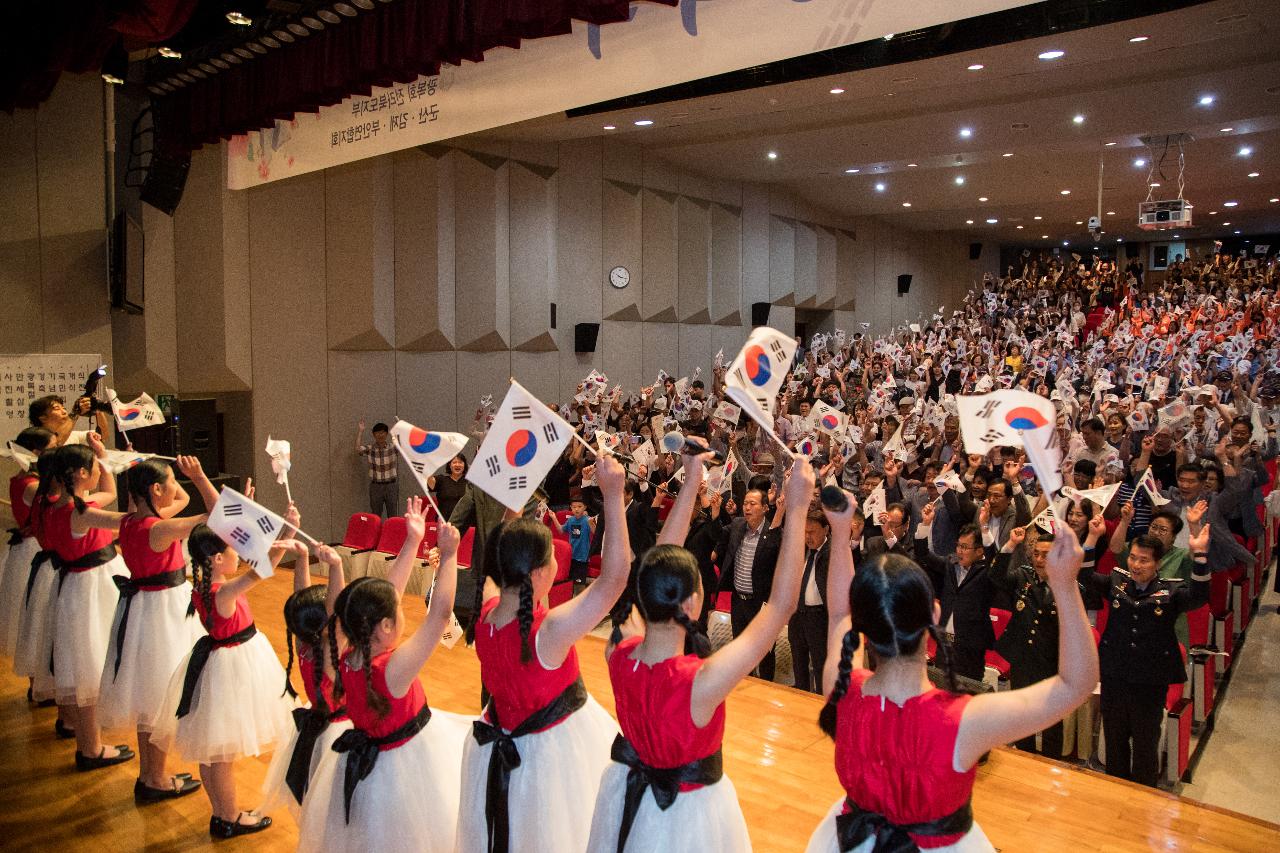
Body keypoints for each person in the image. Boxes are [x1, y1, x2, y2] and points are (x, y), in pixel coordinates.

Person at [806, 488, 1098, 851]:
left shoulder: (841, 687)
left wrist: (839, 529)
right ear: (934, 616)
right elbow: (1076, 684)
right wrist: (1066, 585)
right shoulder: (964, 720)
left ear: (862, 629)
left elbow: (838, 614)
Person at [586, 454, 814, 853]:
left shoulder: (617, 651)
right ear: (693, 604)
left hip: (627, 800)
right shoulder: (702, 681)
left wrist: (688, 482)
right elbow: (781, 606)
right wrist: (797, 508)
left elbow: (642, 569)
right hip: (690, 818)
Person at [456, 454, 630, 853]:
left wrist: (515, 495)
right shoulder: (547, 633)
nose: (558, 559)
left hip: (502, 745)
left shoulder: (484, 613)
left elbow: (499, 545)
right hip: (549, 760)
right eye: (553, 555)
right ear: (538, 574)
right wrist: (615, 494)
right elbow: (615, 578)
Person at [297, 497, 469, 852]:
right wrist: (449, 556)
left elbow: (383, 593)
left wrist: (411, 540)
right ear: (387, 625)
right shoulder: (393, 669)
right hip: (406, 769)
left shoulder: (343, 655)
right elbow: (440, 617)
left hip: (368, 769)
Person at [149, 513, 297, 839]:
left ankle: (220, 813)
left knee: (211, 752)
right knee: (223, 756)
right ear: (217, 559)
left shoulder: (202, 590)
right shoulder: (224, 593)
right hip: (234, 667)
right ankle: (229, 817)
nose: (238, 554)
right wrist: (285, 534)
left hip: (216, 664)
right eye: (232, 549)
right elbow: (263, 570)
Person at [80, 456, 210, 801]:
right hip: (162, 613)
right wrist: (197, 477)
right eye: (169, 482)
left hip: (141, 610)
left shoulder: (130, 523)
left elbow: (177, 503)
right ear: (155, 489)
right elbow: (214, 517)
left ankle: (151, 773)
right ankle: (155, 778)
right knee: (161, 696)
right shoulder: (160, 528)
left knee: (148, 699)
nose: (174, 488)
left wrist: (152, 476)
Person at [1084, 527, 1211, 787]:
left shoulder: (1170, 592)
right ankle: (1116, 792)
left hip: (1150, 682)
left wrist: (1199, 555)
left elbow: (1199, 596)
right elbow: (1084, 575)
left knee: (1145, 746)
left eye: (1144, 560)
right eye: (1133, 558)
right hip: (1115, 676)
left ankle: (1143, 800)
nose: (1136, 564)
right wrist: (1093, 538)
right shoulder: (1116, 583)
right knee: (1115, 742)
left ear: (1157, 563)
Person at [36, 440, 135, 771]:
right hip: (91, 589)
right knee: (89, 671)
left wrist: (104, 459)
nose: (98, 472)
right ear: (80, 473)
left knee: (85, 667)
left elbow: (107, 493)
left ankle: (88, 742)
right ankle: (91, 749)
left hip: (80, 588)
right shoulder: (82, 513)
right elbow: (128, 521)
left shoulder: (58, 506)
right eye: (93, 467)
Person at [260, 537, 353, 818]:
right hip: (341, 730)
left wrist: (302, 559)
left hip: (317, 728)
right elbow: (337, 611)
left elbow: (299, 599)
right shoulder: (330, 653)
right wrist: (336, 566)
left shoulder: (306, 643)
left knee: (321, 802)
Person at [913, 510, 996, 682]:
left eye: (965, 547)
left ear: (979, 551)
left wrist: (985, 527)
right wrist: (925, 525)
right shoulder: (950, 564)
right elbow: (923, 555)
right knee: (942, 688)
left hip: (970, 646)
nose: (959, 551)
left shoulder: (987, 572)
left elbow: (994, 560)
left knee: (966, 695)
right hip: (944, 643)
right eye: (958, 545)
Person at [715, 487, 783, 681]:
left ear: (764, 508)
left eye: (752, 504)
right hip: (739, 600)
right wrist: (718, 510)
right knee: (740, 649)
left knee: (764, 652)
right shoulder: (737, 525)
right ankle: (743, 685)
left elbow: (778, 553)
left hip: (761, 604)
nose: (747, 508)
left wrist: (781, 510)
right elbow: (717, 532)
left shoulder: (773, 532)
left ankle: (766, 687)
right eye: (745, 503)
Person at [0, 426, 55, 660]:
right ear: (36, 452)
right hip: (36, 549)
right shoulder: (32, 486)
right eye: (53, 449)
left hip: (28, 548)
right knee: (38, 615)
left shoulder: (23, 479)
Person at [790, 510, 831, 694]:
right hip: (798, 614)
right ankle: (800, 699)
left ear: (826, 529)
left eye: (812, 532)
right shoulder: (801, 550)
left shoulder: (833, 553)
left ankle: (821, 705)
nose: (808, 536)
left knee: (821, 666)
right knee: (799, 665)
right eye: (805, 532)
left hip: (819, 617)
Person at [27, 393, 109, 448]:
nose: (64, 412)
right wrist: (76, 412)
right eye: (57, 408)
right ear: (43, 418)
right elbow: (55, 443)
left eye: (64, 408)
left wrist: (97, 408)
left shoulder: (72, 435)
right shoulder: (35, 439)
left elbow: (103, 435)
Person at [550, 494, 595, 592]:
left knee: (579, 587)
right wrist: (554, 518)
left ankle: (580, 603)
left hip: (582, 559)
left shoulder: (587, 520)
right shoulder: (570, 520)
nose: (576, 509)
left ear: (585, 507)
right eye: (574, 507)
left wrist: (592, 524)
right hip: (570, 557)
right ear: (571, 507)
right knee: (570, 583)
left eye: (579, 506)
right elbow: (561, 530)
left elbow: (595, 533)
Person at [355, 420, 398, 518]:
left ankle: (391, 533)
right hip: (376, 486)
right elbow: (358, 449)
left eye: (383, 432)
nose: (380, 434)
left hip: (391, 485)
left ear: (387, 433)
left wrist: (398, 429)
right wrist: (361, 431)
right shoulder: (370, 449)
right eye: (377, 432)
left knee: (393, 515)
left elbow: (404, 445)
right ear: (374, 435)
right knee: (375, 515)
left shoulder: (392, 447)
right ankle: (376, 533)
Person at [428, 453, 470, 522]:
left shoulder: (470, 482)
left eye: (460, 462)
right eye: (454, 462)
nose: (457, 465)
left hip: (465, 523)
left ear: (464, 465)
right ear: (449, 465)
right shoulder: (441, 480)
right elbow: (429, 482)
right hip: (443, 522)